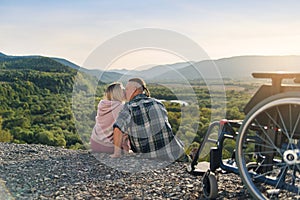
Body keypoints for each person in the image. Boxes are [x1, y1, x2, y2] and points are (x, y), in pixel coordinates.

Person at [111, 78, 187, 161]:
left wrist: (116, 153)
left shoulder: (128, 107)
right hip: (175, 153)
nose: (125, 92)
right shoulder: (158, 103)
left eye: (127, 89)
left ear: (135, 90)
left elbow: (118, 128)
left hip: (149, 157)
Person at [90, 82, 130, 153]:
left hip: (94, 143)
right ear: (118, 94)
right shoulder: (122, 107)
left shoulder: (101, 104)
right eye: (123, 90)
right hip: (109, 147)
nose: (125, 92)